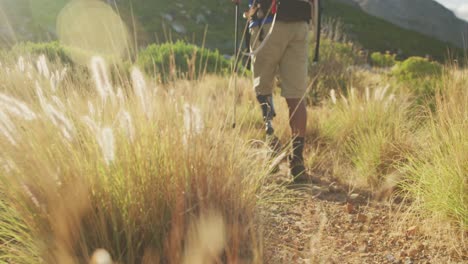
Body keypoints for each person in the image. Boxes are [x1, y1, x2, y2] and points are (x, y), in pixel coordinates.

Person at [233, 0, 313, 182]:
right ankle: (298, 161)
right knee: (296, 96)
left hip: (267, 23)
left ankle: (271, 138)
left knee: (263, 86)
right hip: (299, 24)